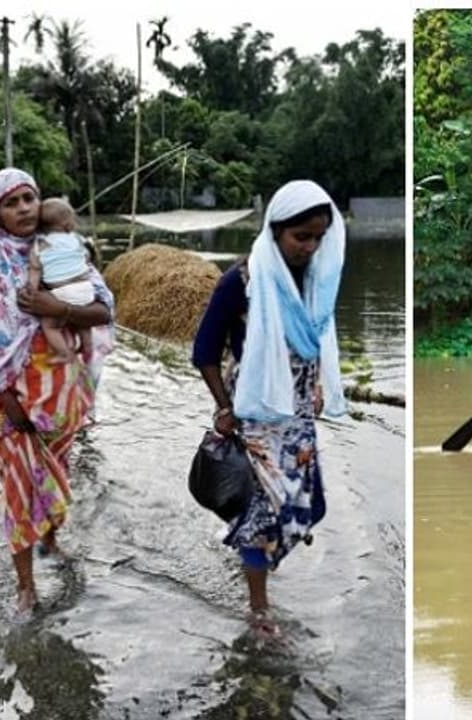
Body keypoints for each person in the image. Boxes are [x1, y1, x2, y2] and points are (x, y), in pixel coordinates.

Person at [192, 179, 347, 636]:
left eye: (318, 237)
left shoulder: (316, 280)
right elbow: (204, 353)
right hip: (255, 412)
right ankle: (258, 610)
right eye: (301, 236)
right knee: (263, 514)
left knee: (307, 506)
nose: (310, 247)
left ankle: (249, 552)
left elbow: (313, 340)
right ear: (275, 230)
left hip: (297, 415)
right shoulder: (242, 282)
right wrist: (225, 408)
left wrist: (316, 383)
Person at [0, 168, 115, 614]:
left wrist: (56, 307)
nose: (24, 208)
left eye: (29, 198)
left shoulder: (61, 249)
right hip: (8, 397)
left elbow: (104, 309)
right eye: (12, 202)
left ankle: (51, 539)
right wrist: (7, 400)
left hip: (60, 394)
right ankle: (25, 585)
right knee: (19, 487)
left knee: (55, 471)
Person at [28, 198, 96, 364]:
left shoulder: (39, 245)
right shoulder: (78, 239)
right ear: (67, 224)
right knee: (83, 322)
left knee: (50, 326)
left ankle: (64, 353)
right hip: (86, 289)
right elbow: (87, 258)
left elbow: (35, 270)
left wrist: (32, 290)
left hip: (61, 292)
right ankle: (88, 347)